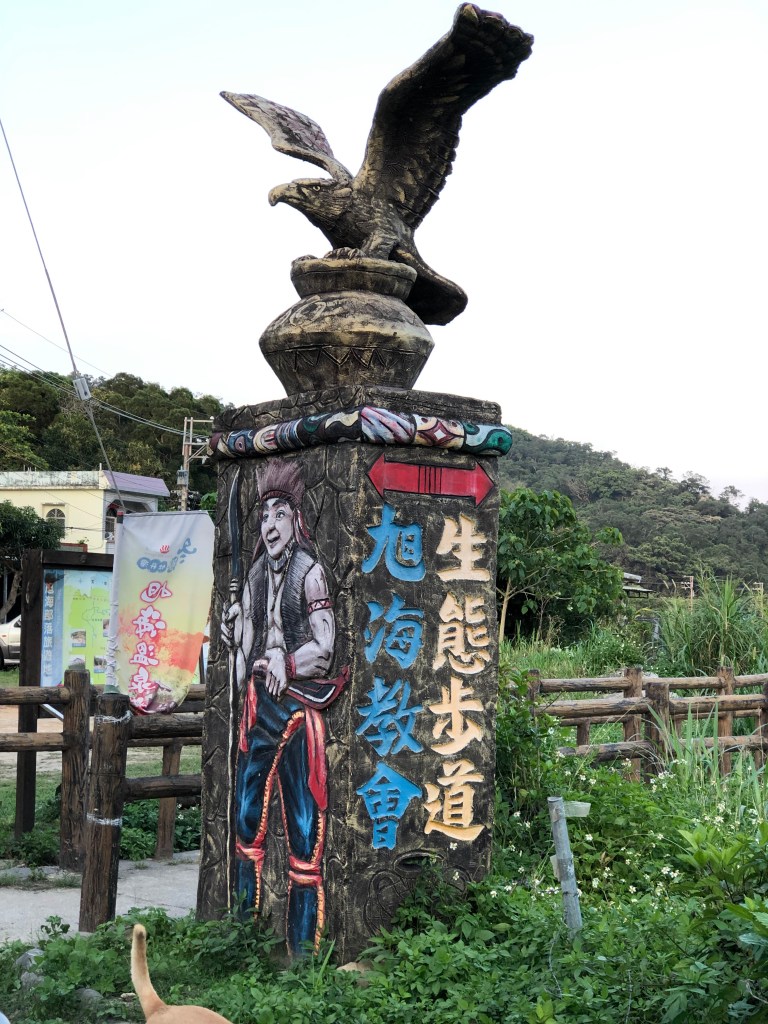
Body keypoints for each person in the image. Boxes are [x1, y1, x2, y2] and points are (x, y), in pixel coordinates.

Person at [221, 459, 337, 954]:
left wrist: (288, 661)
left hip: (298, 710)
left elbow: (325, 648)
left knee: (304, 828)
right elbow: (244, 653)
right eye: (263, 515)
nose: (269, 525)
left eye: (278, 514)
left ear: (296, 519)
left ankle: (303, 949)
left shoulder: (311, 574)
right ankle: (242, 932)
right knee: (247, 818)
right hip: (259, 708)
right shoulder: (252, 576)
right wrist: (234, 633)